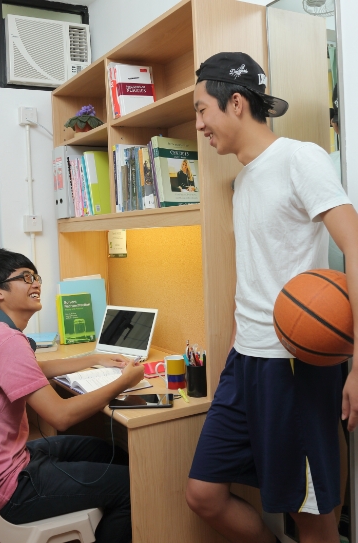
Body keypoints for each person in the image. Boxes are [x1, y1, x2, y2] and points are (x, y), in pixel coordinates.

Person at [185, 52, 358, 543]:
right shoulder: (243, 181)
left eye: (202, 110)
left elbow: (354, 243)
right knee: (203, 493)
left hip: (296, 364)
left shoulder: (300, 158)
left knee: (313, 519)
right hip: (247, 362)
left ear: (235, 102)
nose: (199, 124)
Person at [0, 248, 144, 543]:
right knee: (133, 486)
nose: (36, 284)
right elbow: (62, 415)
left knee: (106, 451)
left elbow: (36, 367)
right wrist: (124, 382)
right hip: (10, 487)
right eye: (25, 278)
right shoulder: (6, 340)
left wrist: (94, 357)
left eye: (36, 276)